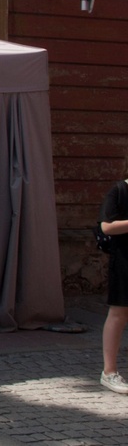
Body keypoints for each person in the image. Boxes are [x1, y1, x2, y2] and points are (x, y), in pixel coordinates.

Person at [100, 154, 128, 394]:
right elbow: (106, 226)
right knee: (119, 314)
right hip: (124, 261)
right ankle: (109, 372)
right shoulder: (119, 191)